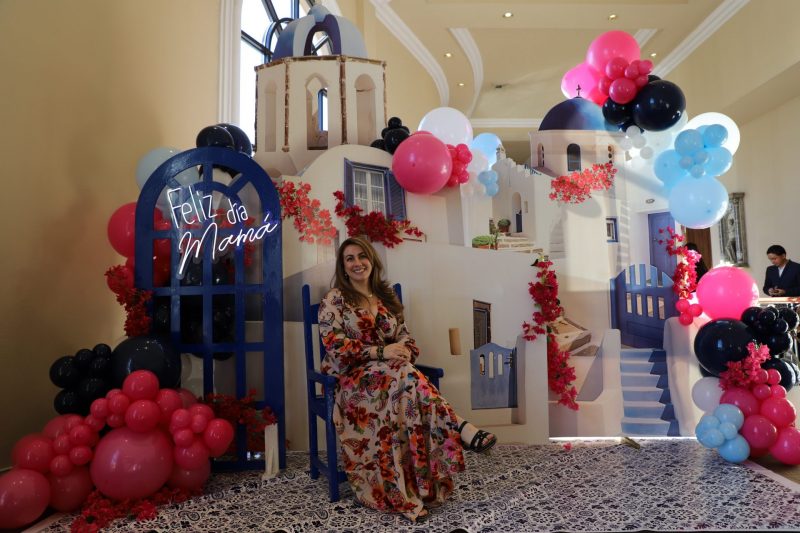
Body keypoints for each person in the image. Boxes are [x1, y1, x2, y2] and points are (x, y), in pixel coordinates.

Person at [318, 236, 496, 522]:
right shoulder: (334, 299)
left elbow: (406, 337)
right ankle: (459, 427)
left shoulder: (387, 297)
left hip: (396, 378)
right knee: (405, 377)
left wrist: (403, 351)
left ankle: (416, 487)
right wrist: (381, 351)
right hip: (354, 381)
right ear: (343, 266)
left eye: (362, 256)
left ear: (372, 260)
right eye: (349, 258)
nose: (357, 263)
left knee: (405, 378)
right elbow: (335, 345)